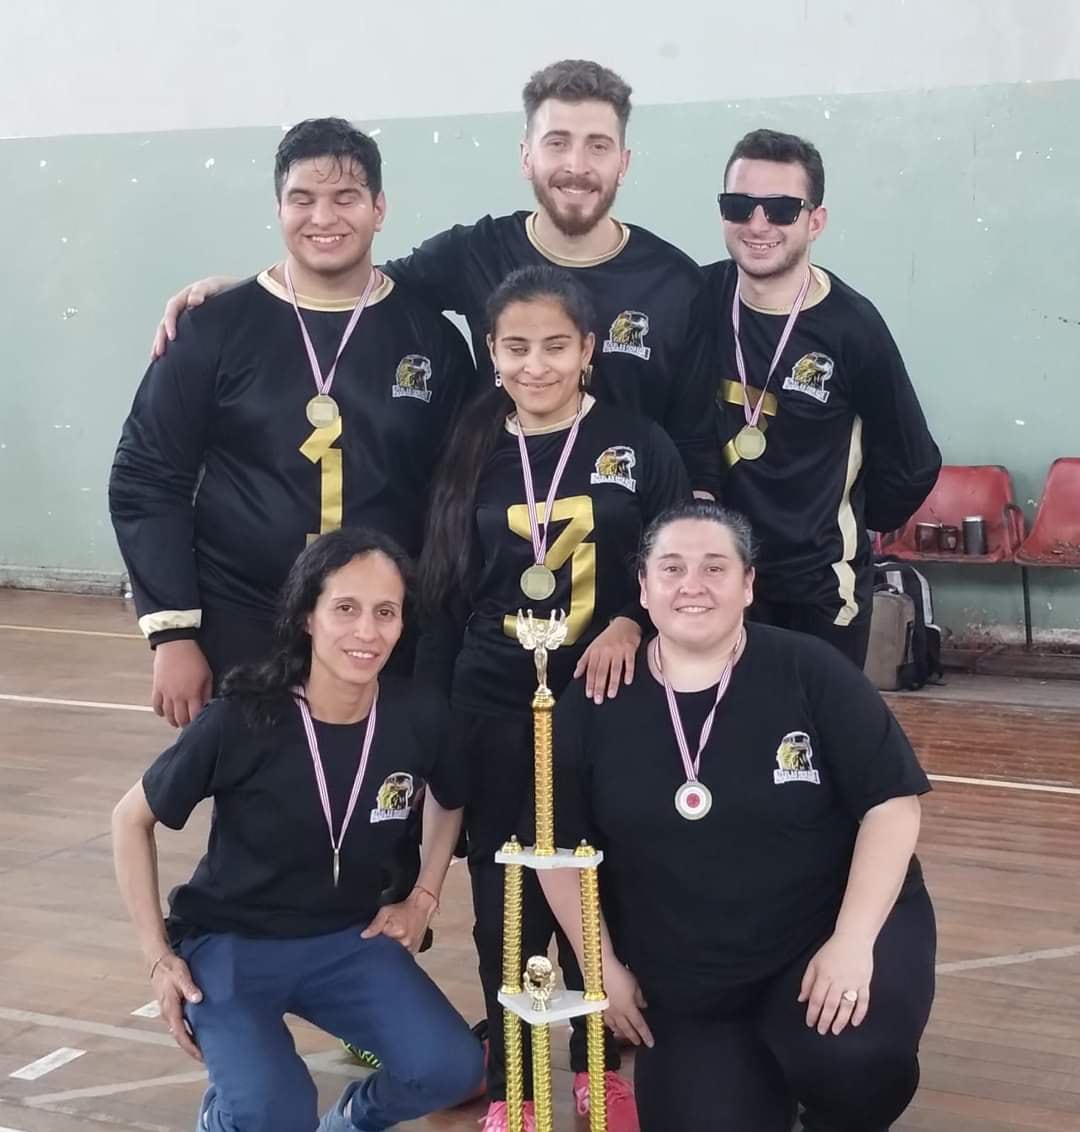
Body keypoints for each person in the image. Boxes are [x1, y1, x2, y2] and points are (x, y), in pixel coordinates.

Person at [539, 500, 936, 1132]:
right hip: (692, 980)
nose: (692, 585)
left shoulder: (810, 671)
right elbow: (559, 849)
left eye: (715, 568)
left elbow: (891, 805)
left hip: (819, 939)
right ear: (642, 589)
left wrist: (854, 941)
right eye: (671, 568)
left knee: (855, 1059)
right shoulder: (593, 699)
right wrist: (600, 967)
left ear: (748, 585)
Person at [149, 60, 720, 499]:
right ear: (526, 156)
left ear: (624, 160)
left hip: (623, 557)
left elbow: (695, 441)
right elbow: (354, 286)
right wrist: (251, 291)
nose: (577, 164)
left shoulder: (675, 282)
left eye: (598, 145)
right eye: (557, 143)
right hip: (498, 540)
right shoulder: (473, 252)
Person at [417, 265, 690, 1131]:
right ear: (492, 352)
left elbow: (679, 562)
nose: (535, 366)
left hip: (606, 706)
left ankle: (600, 1067)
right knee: (508, 900)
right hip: (493, 702)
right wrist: (434, 723)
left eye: (556, 346)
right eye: (515, 347)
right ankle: (516, 1087)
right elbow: (446, 596)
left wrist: (630, 621)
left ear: (590, 349)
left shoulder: (638, 442)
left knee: (600, 884)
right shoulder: (468, 446)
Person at [111, 527, 484, 1132]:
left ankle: (347, 1123)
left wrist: (424, 897)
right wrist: (158, 959)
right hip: (230, 945)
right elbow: (130, 819)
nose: (367, 631)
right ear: (308, 615)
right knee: (272, 1115)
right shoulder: (244, 716)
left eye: (385, 613)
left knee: (449, 1068)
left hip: (345, 939)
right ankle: (226, 1118)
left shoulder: (419, 714)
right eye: (345, 608)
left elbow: (450, 800)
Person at [110, 117, 477, 728]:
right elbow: (148, 477)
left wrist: (435, 628)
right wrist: (172, 632)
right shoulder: (213, 328)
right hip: (243, 616)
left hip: (384, 626)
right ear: (279, 208)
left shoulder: (432, 340)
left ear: (379, 208)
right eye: (302, 199)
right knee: (257, 803)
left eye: (346, 199)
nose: (323, 218)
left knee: (378, 804)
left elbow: (456, 497)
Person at [694, 129, 940, 665]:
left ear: (815, 221)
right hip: (713, 582)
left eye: (782, 209)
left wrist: (834, 520)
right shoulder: (698, 299)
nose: (758, 225)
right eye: (740, 205)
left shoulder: (853, 327)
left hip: (820, 589)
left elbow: (913, 462)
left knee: (808, 745)